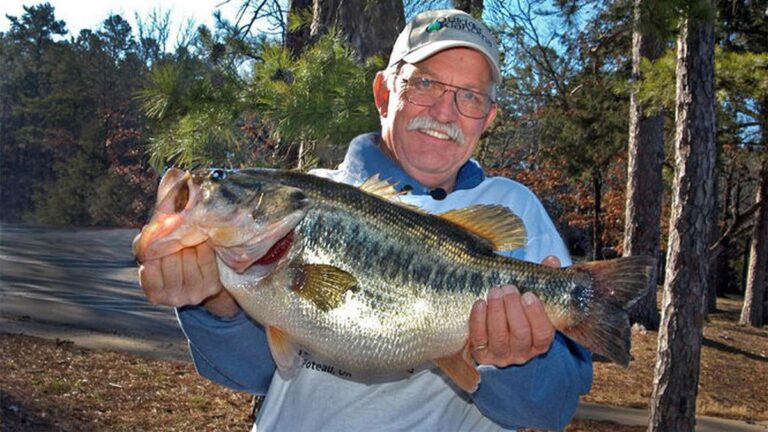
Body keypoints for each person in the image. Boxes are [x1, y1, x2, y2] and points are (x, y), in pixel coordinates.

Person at [138, 9, 592, 431]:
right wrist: (216, 306)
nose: (443, 112)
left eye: (469, 97)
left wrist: (516, 359)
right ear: (384, 92)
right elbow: (250, 372)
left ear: (487, 118)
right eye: (426, 84)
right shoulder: (310, 196)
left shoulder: (515, 207)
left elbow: (550, 408)